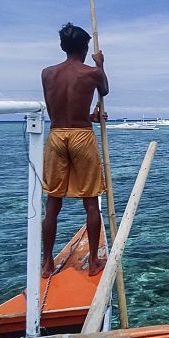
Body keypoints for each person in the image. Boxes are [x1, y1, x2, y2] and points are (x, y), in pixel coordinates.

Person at [40, 23, 110, 278]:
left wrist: (86, 116)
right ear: (85, 48)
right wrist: (100, 64)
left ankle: (47, 263)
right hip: (81, 136)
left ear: (62, 47)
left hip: (57, 135)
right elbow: (104, 90)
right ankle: (93, 262)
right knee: (91, 201)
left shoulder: (47, 74)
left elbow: (56, 108)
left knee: (53, 202)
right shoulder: (92, 72)